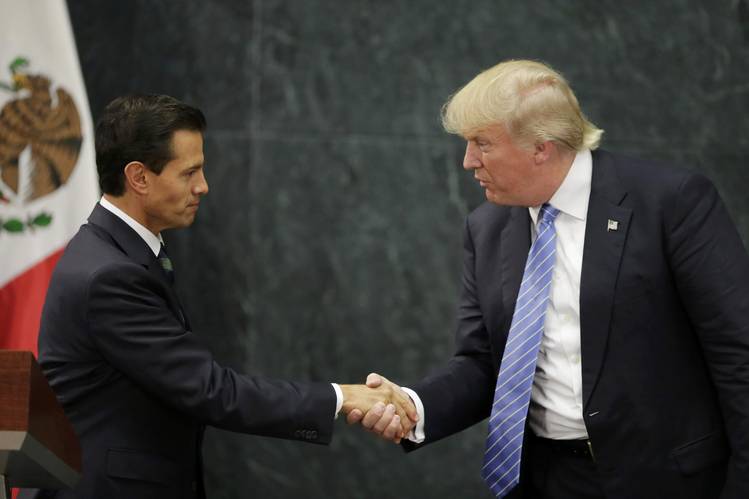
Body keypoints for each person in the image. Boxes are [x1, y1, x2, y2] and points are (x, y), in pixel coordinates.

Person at [350, 60, 749, 499]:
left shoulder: (670, 203)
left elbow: (738, 353)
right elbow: (485, 363)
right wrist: (413, 406)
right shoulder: (487, 229)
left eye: (482, 144)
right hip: (548, 480)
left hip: (668, 481)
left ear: (541, 147)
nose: (467, 162)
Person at [27, 94, 417, 499]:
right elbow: (211, 391)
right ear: (139, 177)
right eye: (189, 172)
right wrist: (341, 396)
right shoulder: (111, 274)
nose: (203, 187)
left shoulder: (114, 251)